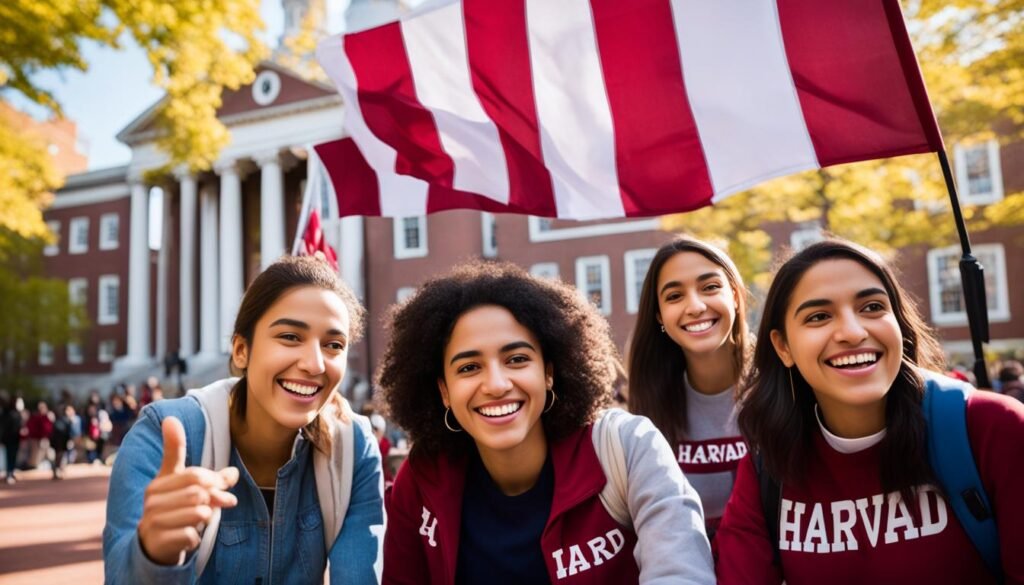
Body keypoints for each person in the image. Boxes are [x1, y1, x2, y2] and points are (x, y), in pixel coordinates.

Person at [378, 261, 714, 585]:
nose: (496, 384)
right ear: (444, 391)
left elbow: (681, 572)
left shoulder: (628, 446)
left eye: (517, 359)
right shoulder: (420, 483)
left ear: (549, 373)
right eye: (469, 367)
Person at [716, 239, 1024, 584]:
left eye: (872, 307)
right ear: (783, 346)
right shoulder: (768, 465)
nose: (852, 332)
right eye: (818, 316)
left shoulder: (993, 428)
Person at [103, 256, 384, 584]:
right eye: (290, 337)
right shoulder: (163, 434)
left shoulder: (352, 447)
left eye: (334, 345)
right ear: (241, 350)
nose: (315, 364)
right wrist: (153, 554)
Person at [627, 236, 751, 537]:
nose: (695, 307)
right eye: (674, 296)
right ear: (659, 315)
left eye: (710, 287)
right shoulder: (646, 409)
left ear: (734, 295)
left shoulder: (781, 383)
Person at [0, 392, 23, 484]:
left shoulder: (15, 412)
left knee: (13, 456)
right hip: (9, 438)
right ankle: (9, 473)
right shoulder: (6, 412)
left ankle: (11, 472)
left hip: (15, 438)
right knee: (9, 456)